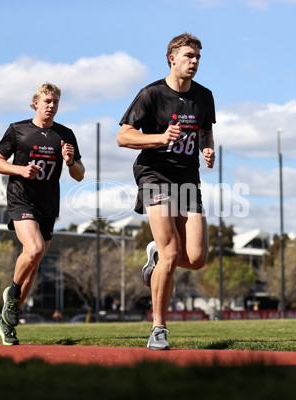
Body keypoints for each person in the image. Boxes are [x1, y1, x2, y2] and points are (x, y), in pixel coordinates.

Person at [117, 33, 215, 350]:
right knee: (173, 253)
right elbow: (123, 137)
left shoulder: (204, 96)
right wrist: (160, 138)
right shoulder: (151, 94)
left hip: (188, 178)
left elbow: (206, 131)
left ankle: (157, 256)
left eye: (198, 56)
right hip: (154, 174)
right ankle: (158, 328)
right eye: (189, 56)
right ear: (172, 57)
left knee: (197, 258)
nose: (195, 61)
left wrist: (208, 149)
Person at [0, 82, 85, 345]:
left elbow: (80, 175)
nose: (51, 106)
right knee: (32, 249)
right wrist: (20, 170)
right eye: (47, 101)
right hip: (21, 199)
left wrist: (70, 162)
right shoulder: (18, 130)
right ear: (35, 103)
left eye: (55, 102)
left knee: (33, 264)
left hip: (48, 205)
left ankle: (7, 322)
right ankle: (11, 298)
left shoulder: (65, 134)